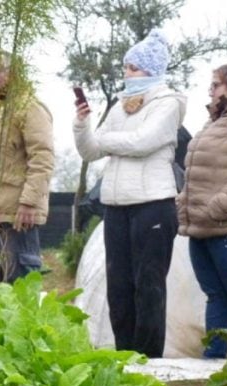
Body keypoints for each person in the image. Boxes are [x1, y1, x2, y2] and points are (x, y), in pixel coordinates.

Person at [73, 30, 186, 358]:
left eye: (133, 68)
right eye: (126, 67)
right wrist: (82, 124)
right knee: (119, 287)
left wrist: (107, 141)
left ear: (151, 70)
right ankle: (125, 358)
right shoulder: (121, 108)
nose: (127, 73)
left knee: (148, 287)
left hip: (153, 205)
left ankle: (148, 361)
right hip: (116, 207)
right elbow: (91, 150)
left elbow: (142, 142)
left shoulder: (168, 104)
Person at [177, 62, 227, 358]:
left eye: (216, 85)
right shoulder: (214, 123)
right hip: (200, 228)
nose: (210, 90)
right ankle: (214, 362)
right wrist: (184, 203)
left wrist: (218, 206)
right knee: (216, 296)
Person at [0, 53, 54, 286]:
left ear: (15, 74)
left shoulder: (29, 108)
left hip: (17, 215)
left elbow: (42, 157)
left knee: (20, 287)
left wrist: (29, 202)